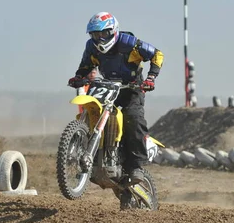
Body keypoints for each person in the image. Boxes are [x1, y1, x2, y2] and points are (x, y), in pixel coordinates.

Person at [68, 12, 164, 184]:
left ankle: (136, 166)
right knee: (94, 112)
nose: (99, 38)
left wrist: (151, 78)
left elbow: (157, 55)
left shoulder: (129, 43)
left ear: (113, 31)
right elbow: (86, 65)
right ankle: (96, 154)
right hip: (106, 85)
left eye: (103, 34)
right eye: (95, 35)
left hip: (132, 87)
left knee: (133, 118)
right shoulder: (91, 46)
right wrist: (78, 77)